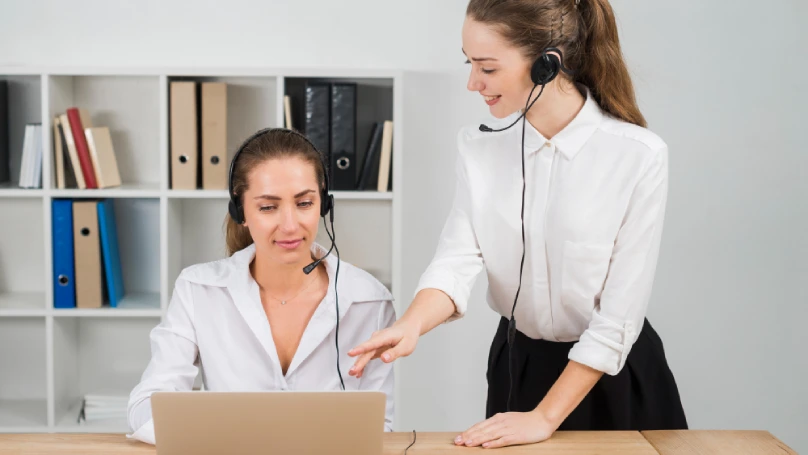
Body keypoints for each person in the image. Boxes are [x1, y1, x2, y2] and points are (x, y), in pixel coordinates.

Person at [348, 0, 687, 449]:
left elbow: (618, 317)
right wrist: (411, 324)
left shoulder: (638, 155)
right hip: (520, 365)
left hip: (612, 373)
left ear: (548, 64)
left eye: (487, 68)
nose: (473, 83)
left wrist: (545, 418)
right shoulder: (479, 148)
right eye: (469, 64)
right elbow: (457, 259)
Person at [127, 128, 396, 445]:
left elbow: (379, 427)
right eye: (268, 207)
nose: (290, 225)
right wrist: (228, 438)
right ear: (240, 212)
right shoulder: (197, 289)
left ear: (324, 204)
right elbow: (146, 406)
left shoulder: (370, 301)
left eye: (304, 203)